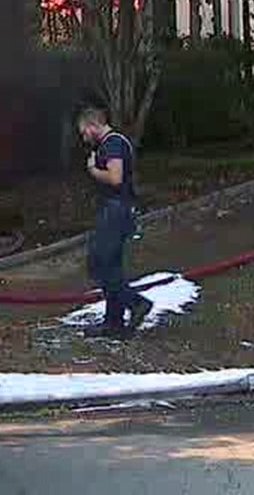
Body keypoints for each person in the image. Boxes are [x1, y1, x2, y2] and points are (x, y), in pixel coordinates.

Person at [79, 105, 153, 338]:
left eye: (84, 131)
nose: (83, 137)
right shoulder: (112, 143)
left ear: (93, 125)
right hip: (117, 210)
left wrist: (92, 169)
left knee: (98, 264)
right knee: (111, 266)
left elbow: (115, 177)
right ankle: (114, 323)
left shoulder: (112, 143)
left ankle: (136, 303)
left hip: (116, 211)